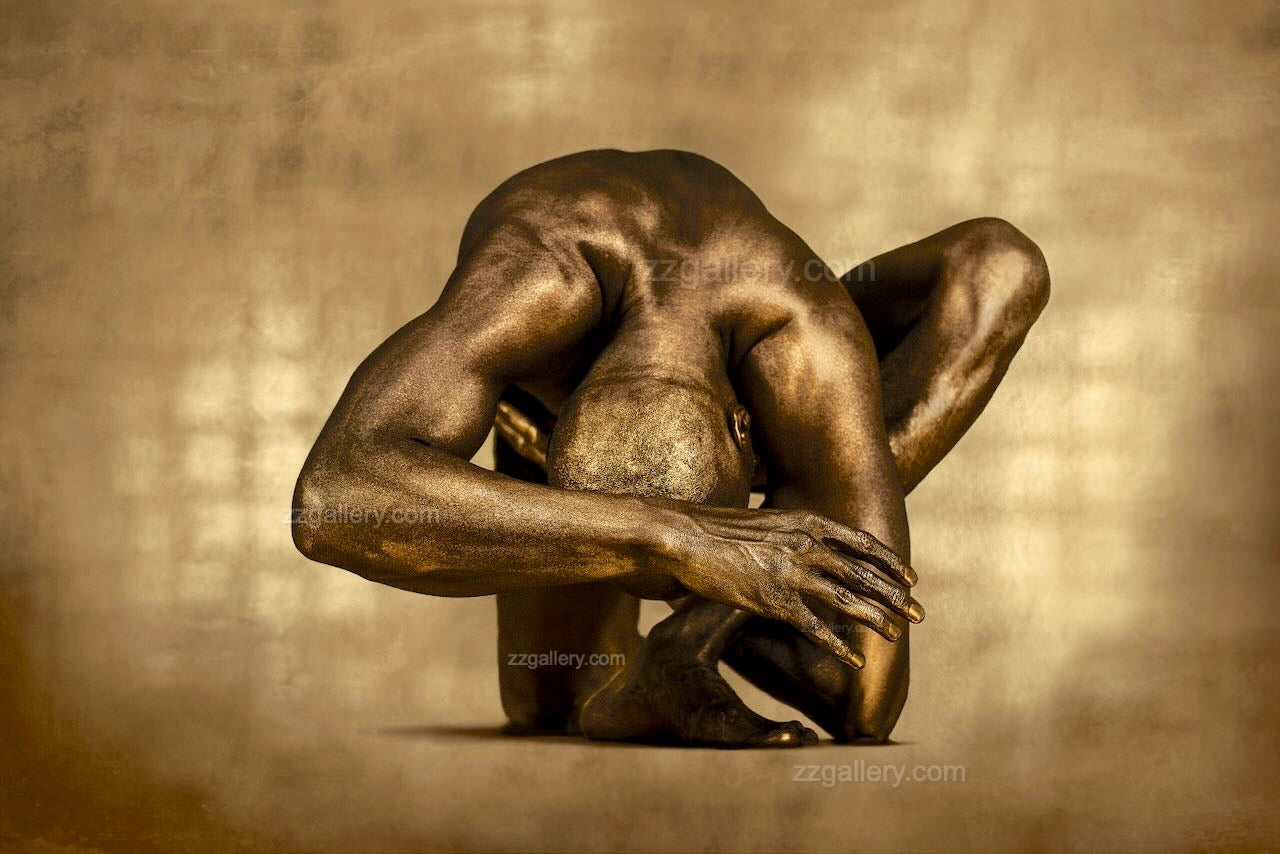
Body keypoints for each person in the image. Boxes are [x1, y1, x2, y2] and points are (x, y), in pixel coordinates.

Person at [292, 149, 1049, 747]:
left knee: (1002, 269)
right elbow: (331, 501)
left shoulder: (803, 342)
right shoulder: (532, 284)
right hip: (547, 389)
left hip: (749, 350)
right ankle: (651, 585)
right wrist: (669, 539)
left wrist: (714, 576)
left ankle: (682, 651)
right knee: (548, 703)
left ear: (751, 433)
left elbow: (864, 702)